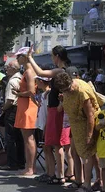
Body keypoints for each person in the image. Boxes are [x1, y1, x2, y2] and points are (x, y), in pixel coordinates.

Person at [26, 45, 72, 183]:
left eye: (52, 55)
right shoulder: (64, 70)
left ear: (57, 56)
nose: (52, 58)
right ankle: (56, 173)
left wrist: (30, 58)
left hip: (56, 110)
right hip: (55, 108)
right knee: (54, 143)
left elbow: (40, 72)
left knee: (57, 144)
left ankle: (60, 175)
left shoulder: (60, 70)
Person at [53, 70, 100, 192]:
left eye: (67, 89)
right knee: (75, 152)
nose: (66, 91)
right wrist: (63, 99)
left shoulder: (81, 92)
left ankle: (87, 185)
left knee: (87, 154)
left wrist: (89, 135)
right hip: (75, 125)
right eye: (63, 90)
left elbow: (90, 116)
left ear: (71, 82)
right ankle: (82, 180)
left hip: (86, 125)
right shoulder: (67, 91)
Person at [14, 47, 39, 176]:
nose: (17, 59)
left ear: (24, 57)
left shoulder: (29, 72)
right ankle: (29, 166)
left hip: (28, 107)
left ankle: (30, 168)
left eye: (18, 56)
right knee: (27, 138)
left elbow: (31, 92)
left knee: (28, 138)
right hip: (26, 106)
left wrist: (18, 93)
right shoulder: (29, 71)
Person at [0, 61, 24, 170]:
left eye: (8, 68)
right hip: (20, 109)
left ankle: (12, 163)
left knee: (10, 137)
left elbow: (10, 100)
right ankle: (20, 161)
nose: (6, 70)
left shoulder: (12, 81)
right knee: (19, 138)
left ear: (13, 69)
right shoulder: (21, 78)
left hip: (12, 109)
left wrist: (3, 109)